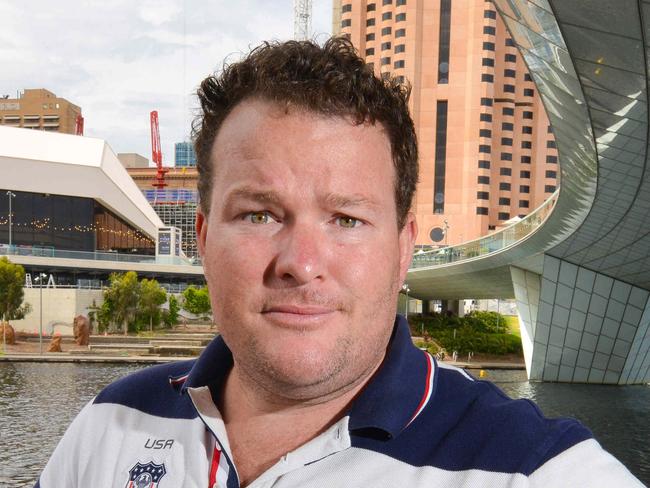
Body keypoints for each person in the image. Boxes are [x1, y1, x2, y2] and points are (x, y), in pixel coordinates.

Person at [36, 38, 643, 488]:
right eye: (259, 214)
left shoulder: (533, 468)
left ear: (404, 249)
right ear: (201, 237)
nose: (301, 264)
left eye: (347, 219)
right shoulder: (109, 423)